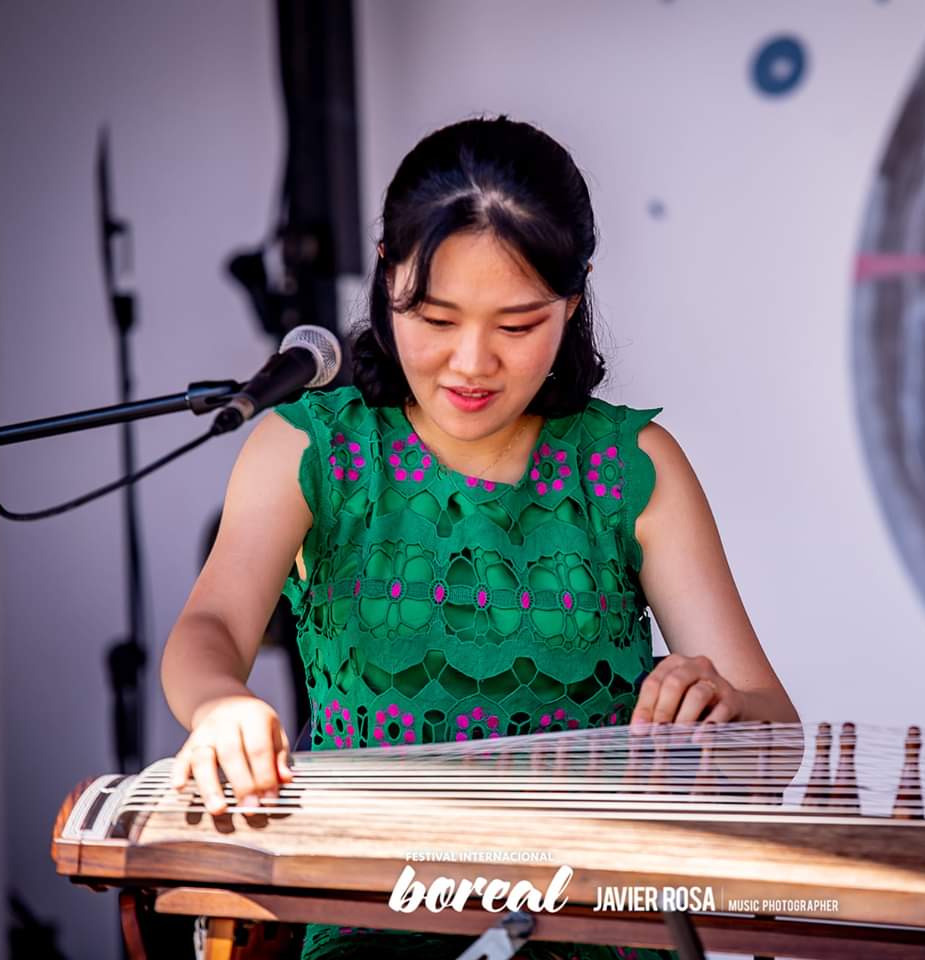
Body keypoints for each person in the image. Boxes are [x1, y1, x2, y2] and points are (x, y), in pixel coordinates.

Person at [160, 115, 799, 960]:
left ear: (573, 301)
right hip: (378, 921)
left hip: (598, 924)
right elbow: (211, 625)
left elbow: (771, 724)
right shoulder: (311, 450)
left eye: (517, 325)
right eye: (434, 317)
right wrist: (219, 702)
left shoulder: (630, 467)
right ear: (387, 276)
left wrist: (720, 708)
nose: (470, 362)